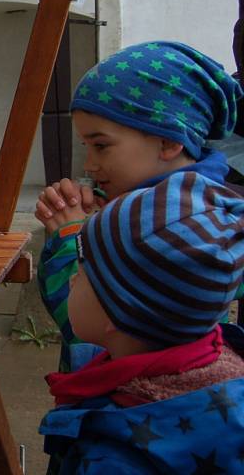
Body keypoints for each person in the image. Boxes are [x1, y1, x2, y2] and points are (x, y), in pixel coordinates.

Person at [35, 41, 242, 372]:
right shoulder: (198, 206)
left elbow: (83, 325)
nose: (88, 165)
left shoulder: (172, 225)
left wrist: (69, 236)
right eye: (86, 146)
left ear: (169, 141)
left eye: (101, 145)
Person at [39, 171, 244, 473]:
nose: (70, 281)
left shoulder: (110, 453)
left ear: (116, 311)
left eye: (81, 275)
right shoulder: (228, 371)